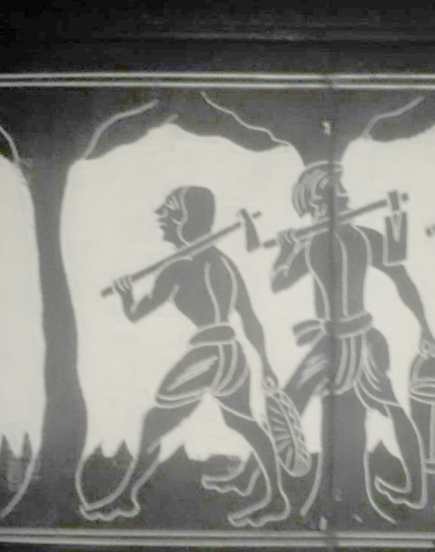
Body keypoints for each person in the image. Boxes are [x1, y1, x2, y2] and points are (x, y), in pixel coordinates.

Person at [213, 162, 435, 524]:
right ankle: (264, 483)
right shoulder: (318, 241)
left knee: (370, 407)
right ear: (316, 203)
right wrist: (287, 249)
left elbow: (399, 272)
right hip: (336, 341)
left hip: (356, 341)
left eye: (341, 190)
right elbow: (279, 282)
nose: (344, 195)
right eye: (334, 192)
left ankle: (414, 489)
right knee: (291, 407)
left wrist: (425, 327)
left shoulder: (350, 238)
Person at [81, 185, 288, 528]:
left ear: (185, 218)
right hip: (233, 356)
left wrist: (125, 294)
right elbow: (249, 319)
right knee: (242, 422)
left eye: (167, 212)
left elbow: (135, 314)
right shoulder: (226, 264)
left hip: (207, 356)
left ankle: (125, 496)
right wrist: (264, 363)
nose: (160, 218)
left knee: (154, 422)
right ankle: (276, 497)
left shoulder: (176, 268)